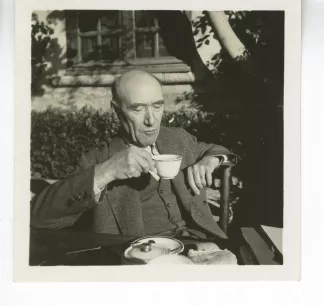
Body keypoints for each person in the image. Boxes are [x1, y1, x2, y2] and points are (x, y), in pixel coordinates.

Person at [31, 70, 237, 243]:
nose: (151, 120)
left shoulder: (177, 138)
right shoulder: (98, 159)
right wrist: (107, 172)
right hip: (140, 262)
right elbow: (39, 218)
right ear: (117, 112)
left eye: (157, 106)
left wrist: (211, 160)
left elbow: (217, 149)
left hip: (203, 245)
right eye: (138, 109)